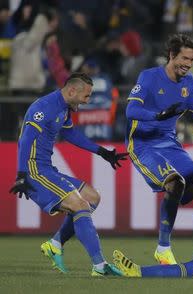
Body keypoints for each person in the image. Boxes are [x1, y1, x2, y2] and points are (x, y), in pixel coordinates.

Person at [9, 72, 128, 276]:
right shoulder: (45, 107)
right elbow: (27, 139)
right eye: (86, 96)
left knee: (92, 198)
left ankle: (55, 243)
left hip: (46, 168)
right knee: (80, 204)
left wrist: (102, 152)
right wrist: (21, 174)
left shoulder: (64, 108)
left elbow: (71, 134)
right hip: (34, 170)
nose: (87, 101)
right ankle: (99, 266)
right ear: (72, 90)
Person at [125, 34, 193, 264]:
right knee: (174, 181)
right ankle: (163, 248)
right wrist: (157, 115)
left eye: (192, 60)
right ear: (171, 55)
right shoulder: (148, 77)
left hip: (170, 143)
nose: (187, 64)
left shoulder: (190, 83)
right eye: (184, 58)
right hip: (143, 144)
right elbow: (131, 111)